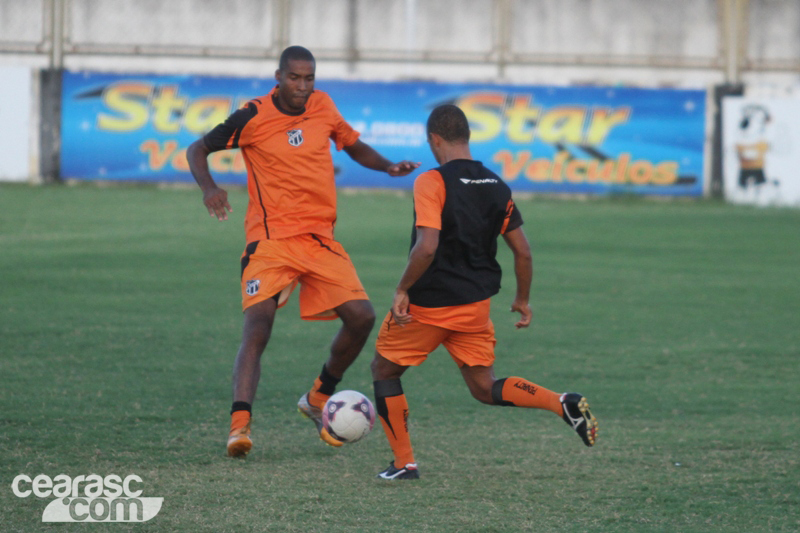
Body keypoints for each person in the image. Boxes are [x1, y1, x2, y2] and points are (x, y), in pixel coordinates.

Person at [186, 45, 420, 457]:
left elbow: (352, 144)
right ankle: (239, 427)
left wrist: (387, 167)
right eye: (294, 78)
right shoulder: (252, 116)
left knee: (362, 317)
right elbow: (197, 149)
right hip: (271, 241)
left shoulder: (323, 105)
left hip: (319, 239)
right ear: (278, 76)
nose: (302, 85)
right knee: (257, 327)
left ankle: (317, 398)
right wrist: (210, 188)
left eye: (309, 78)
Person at [370, 104, 598, 480]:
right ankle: (562, 403)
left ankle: (404, 463)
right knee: (483, 387)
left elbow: (426, 247)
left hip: (428, 307)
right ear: (468, 137)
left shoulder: (431, 181)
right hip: (474, 309)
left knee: (383, 370)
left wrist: (402, 289)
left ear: (434, 139)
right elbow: (522, 250)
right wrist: (522, 299)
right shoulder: (496, 185)